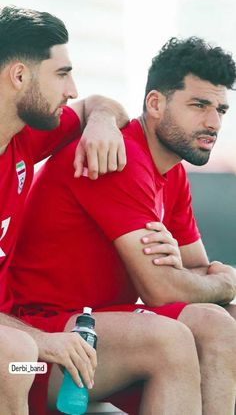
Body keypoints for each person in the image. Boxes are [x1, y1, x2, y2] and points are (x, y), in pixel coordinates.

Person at [9, 37, 236, 414]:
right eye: (199, 105)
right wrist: (223, 281)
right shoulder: (121, 158)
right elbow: (163, 290)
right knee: (181, 333)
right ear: (156, 103)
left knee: (224, 319)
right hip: (38, 347)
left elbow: (196, 273)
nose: (213, 122)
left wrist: (203, 280)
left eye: (221, 110)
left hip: (100, 331)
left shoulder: (172, 171)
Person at [0, 4, 133, 415]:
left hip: (19, 337)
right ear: (19, 76)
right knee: (17, 358)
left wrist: (101, 123)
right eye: (61, 74)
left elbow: (99, 102)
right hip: (16, 350)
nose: (71, 89)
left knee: (169, 341)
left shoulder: (25, 137)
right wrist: (43, 341)